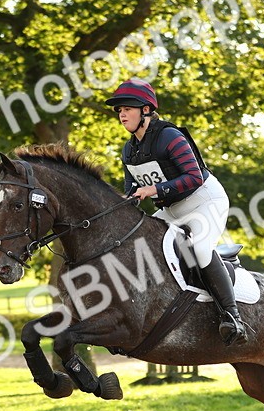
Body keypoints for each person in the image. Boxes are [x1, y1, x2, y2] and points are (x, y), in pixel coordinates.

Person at [104, 78, 248, 345]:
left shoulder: (169, 136)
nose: (121, 114)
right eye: (119, 110)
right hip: (172, 210)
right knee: (136, 246)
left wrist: (153, 190)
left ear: (146, 110)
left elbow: (193, 177)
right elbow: (131, 190)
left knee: (201, 249)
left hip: (205, 201)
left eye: (127, 108)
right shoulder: (129, 150)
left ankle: (233, 317)